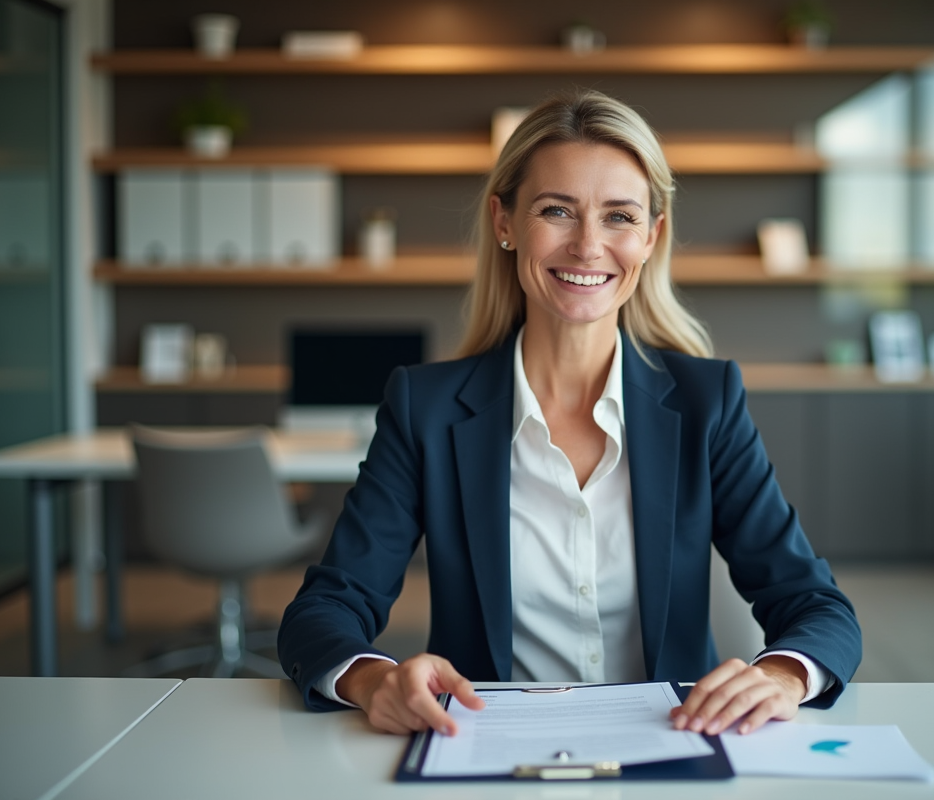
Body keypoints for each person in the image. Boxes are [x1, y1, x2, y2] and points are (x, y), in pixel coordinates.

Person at [278, 88, 861, 738]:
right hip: (487, 749)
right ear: (504, 222)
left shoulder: (706, 403)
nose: (588, 245)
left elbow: (815, 606)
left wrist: (782, 673)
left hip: (671, 747)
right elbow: (326, 610)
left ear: (651, 236)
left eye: (619, 217)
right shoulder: (427, 409)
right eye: (557, 210)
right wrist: (373, 679)